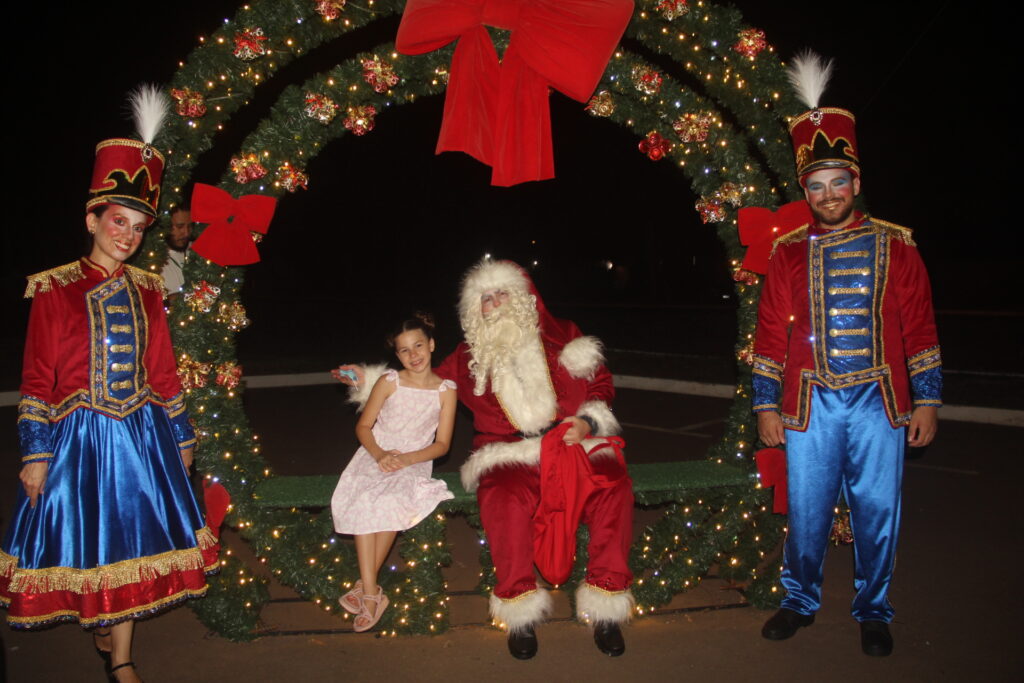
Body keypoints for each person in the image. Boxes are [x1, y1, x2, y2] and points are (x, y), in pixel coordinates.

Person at [0, 88, 218, 683]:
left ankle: (121, 658)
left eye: (139, 227)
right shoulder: (53, 289)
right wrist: (36, 452)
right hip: (78, 438)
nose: (128, 235)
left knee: (132, 546)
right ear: (92, 220)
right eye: (118, 221)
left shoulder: (149, 290)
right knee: (90, 543)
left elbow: (163, 370)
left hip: (142, 435)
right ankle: (101, 623)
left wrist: (182, 437)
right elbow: (37, 377)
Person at [339, 259, 633, 659]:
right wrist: (367, 380)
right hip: (506, 451)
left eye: (500, 294)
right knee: (502, 498)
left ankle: (607, 607)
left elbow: (600, 381)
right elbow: (419, 379)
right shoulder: (466, 356)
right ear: (474, 310)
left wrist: (587, 422)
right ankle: (520, 612)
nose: (494, 303)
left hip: (573, 441)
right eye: (485, 299)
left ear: (521, 297)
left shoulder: (563, 333)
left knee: (613, 485)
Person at [752, 53, 941, 657]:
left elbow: (920, 327)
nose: (828, 194)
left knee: (877, 510)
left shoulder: (897, 246)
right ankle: (799, 600)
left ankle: (874, 609)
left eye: (838, 183)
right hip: (809, 401)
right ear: (805, 191)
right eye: (817, 186)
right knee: (806, 510)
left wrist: (927, 400)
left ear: (856, 184)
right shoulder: (786, 253)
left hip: (879, 400)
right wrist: (765, 405)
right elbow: (770, 335)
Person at [330, 314, 456, 632]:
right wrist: (380, 455)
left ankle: (366, 588)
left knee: (392, 500)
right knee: (364, 497)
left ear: (431, 345)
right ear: (397, 355)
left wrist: (408, 459)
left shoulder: (445, 390)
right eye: (404, 350)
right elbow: (363, 426)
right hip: (376, 452)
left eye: (418, 346)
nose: (413, 355)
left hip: (415, 458)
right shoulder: (390, 382)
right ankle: (372, 592)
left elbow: (442, 445)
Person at [161, 205, 191, 300]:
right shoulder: (151, 260)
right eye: (180, 226)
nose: (186, 233)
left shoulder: (200, 250)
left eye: (189, 226)